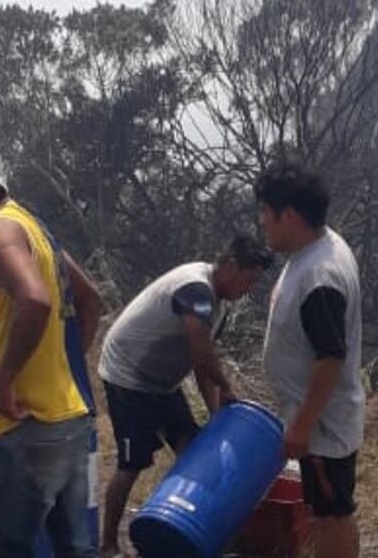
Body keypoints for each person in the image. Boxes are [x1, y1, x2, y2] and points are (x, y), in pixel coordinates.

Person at [0, 137, 102, 557]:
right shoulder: (33, 228)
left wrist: (6, 377)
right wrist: (62, 367)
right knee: (74, 548)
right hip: (70, 422)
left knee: (10, 548)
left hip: (24, 428)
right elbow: (91, 299)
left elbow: (35, 301)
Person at [97, 235, 274, 558]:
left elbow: (200, 362)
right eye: (248, 279)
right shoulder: (196, 290)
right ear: (230, 266)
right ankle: (108, 545)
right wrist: (227, 388)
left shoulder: (218, 304)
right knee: (132, 462)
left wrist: (216, 415)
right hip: (128, 376)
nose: (248, 289)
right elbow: (203, 354)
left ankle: (186, 528)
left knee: (193, 448)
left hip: (162, 383)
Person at [256, 163, 365, 558]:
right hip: (315, 418)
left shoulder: (321, 276)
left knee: (332, 514)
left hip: (323, 424)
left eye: (266, 213)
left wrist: (302, 425)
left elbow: (330, 357)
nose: (262, 223)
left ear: (289, 215)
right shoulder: (315, 249)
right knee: (325, 510)